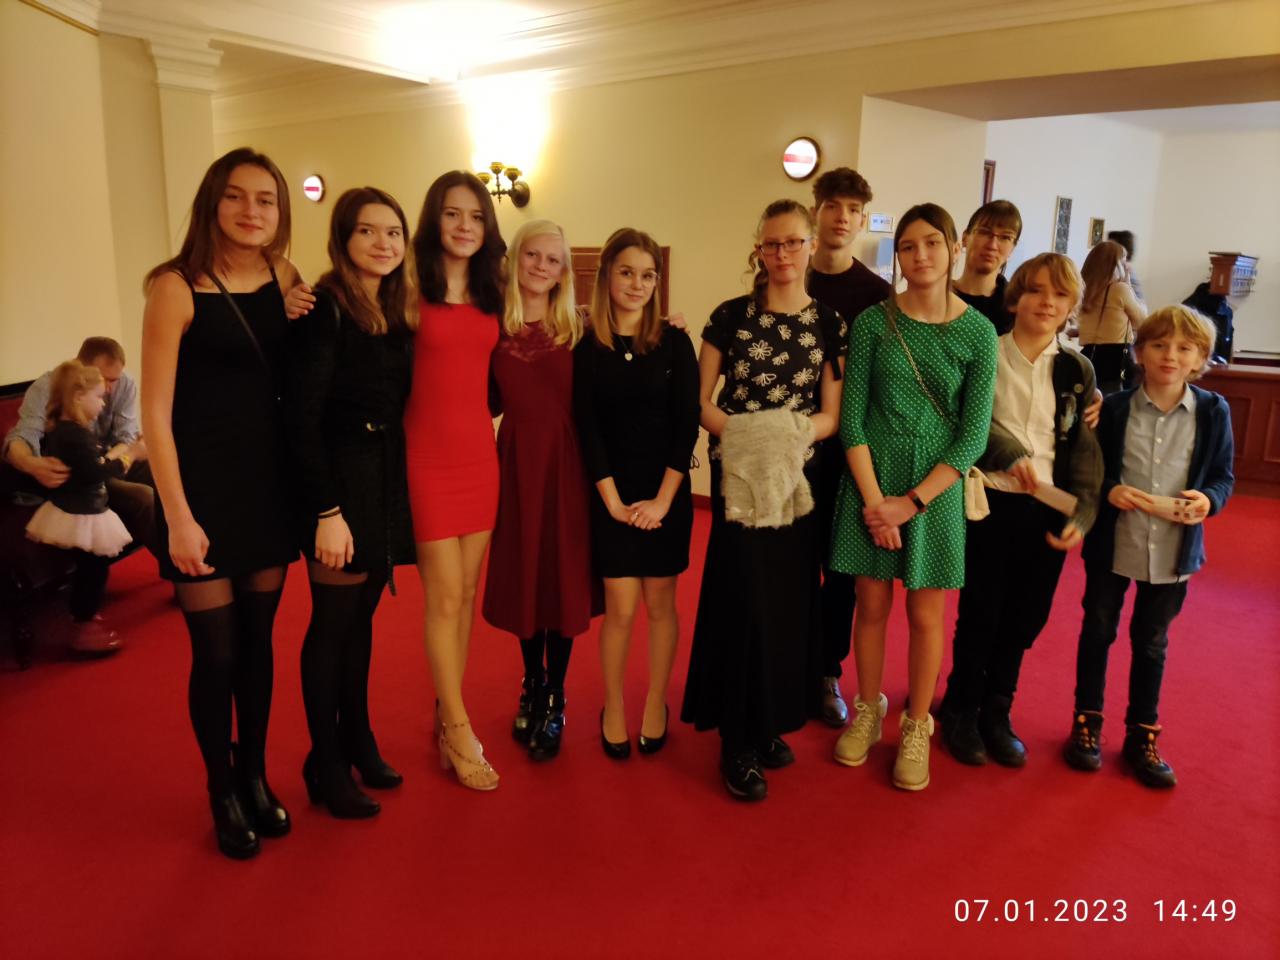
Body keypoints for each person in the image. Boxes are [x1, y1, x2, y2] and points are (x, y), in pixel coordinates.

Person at [142, 147, 301, 859]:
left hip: (267, 488)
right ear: (213, 203)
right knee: (216, 654)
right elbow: (154, 415)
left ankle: (255, 774)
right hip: (200, 493)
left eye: (265, 199)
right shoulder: (174, 287)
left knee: (259, 647)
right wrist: (176, 516)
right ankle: (221, 787)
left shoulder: (284, 276)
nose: (251, 211)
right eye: (236, 196)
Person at [828, 202, 997, 791]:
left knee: (926, 615)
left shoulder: (978, 332)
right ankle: (868, 708)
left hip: (935, 489)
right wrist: (878, 504)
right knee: (870, 605)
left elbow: (973, 436)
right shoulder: (874, 322)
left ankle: (917, 723)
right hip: (871, 478)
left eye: (931, 243)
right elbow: (852, 420)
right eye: (907, 246)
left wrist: (911, 503)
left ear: (954, 248)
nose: (920, 255)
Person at [682, 200, 844, 801]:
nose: (782, 254)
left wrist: (788, 437)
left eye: (793, 242)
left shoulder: (829, 323)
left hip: (797, 484)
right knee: (744, 603)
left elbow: (832, 415)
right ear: (759, 250)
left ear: (810, 246)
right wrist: (753, 438)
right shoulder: (729, 317)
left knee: (786, 604)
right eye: (772, 244)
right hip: (742, 482)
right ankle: (737, 737)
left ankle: (767, 718)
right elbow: (699, 401)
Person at [938, 253, 1102, 767]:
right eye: (1036, 290)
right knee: (981, 612)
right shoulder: (986, 349)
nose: (1047, 302)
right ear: (1016, 298)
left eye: (1060, 294)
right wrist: (1010, 454)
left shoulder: (1076, 368)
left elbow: (1084, 448)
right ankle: (961, 707)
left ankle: (997, 710)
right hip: (991, 501)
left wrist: (1082, 513)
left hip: (1047, 508)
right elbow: (966, 420)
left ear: (1071, 306)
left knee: (1025, 616)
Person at [283, 187, 416, 818]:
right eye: (368, 231)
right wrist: (326, 512)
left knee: (361, 620)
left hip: (382, 478)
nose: (383, 243)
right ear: (343, 237)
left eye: (393, 233)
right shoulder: (324, 307)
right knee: (332, 626)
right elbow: (301, 420)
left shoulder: (394, 308)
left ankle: (357, 739)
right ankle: (325, 762)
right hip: (337, 484)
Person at [1064, 305, 1233, 789]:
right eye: (1158, 345)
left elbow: (1223, 477)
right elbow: (1090, 471)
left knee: (1152, 641)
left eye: (1184, 348)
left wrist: (1208, 500)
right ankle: (1086, 723)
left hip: (1175, 548)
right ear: (1139, 352)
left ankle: (1142, 733)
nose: (1170, 356)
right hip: (1115, 543)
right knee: (1098, 630)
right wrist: (1110, 489)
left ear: (1200, 359)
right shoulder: (1114, 409)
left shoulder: (1213, 411)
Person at [575, 228, 699, 762]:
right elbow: (587, 429)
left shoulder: (674, 342)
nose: (637, 284)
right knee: (620, 610)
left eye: (648, 275)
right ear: (607, 276)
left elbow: (686, 426)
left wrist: (664, 501)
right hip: (613, 498)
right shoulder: (588, 347)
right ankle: (612, 705)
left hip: (665, 494)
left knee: (661, 605)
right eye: (626, 272)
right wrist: (611, 502)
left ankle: (654, 700)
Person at [403, 171, 505, 791]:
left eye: (475, 215)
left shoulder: (496, 291)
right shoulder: (409, 286)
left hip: (479, 458)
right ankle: (460, 729)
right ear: (433, 221)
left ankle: (447, 709)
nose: (465, 226)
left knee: (465, 594)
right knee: (443, 598)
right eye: (451, 214)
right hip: (426, 460)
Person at [485, 219, 601, 761]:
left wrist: (671, 323)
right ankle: (531, 683)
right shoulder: (492, 325)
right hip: (515, 465)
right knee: (526, 574)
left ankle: (556, 695)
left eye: (553, 260)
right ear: (515, 259)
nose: (541, 266)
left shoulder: (580, 327)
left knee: (562, 578)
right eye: (533, 254)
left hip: (569, 464)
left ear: (563, 273)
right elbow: (480, 398)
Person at [805, 167, 892, 727]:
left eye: (853, 209)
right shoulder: (789, 276)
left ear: (863, 220)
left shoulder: (877, 296)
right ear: (816, 210)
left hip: (850, 454)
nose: (842, 217)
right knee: (791, 565)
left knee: (840, 574)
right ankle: (786, 663)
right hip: (791, 451)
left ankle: (825, 671)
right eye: (833, 205)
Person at [3, 336, 156, 653]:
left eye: (114, 381)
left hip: (102, 465)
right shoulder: (52, 394)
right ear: (80, 381)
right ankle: (84, 622)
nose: (109, 393)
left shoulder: (120, 386)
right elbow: (24, 436)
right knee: (139, 500)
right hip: (86, 488)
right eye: (103, 385)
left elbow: (124, 437)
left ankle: (181, 565)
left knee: (165, 472)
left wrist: (125, 454)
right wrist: (32, 464)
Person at [1078, 240, 1147, 395]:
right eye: (1124, 261)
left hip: (1088, 355)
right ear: (1117, 265)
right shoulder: (1120, 289)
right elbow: (1142, 321)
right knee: (1116, 402)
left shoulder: (1084, 289)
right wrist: (1129, 286)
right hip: (1116, 358)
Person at [953, 200, 1022, 335]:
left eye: (1005, 237)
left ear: (1013, 248)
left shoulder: (1017, 308)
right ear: (965, 237)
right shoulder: (939, 295)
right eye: (984, 232)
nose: (992, 245)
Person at [1106, 230, 1145, 303]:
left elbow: (1141, 305)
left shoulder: (1127, 273)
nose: (1106, 251)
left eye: (1110, 247)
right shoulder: (1112, 270)